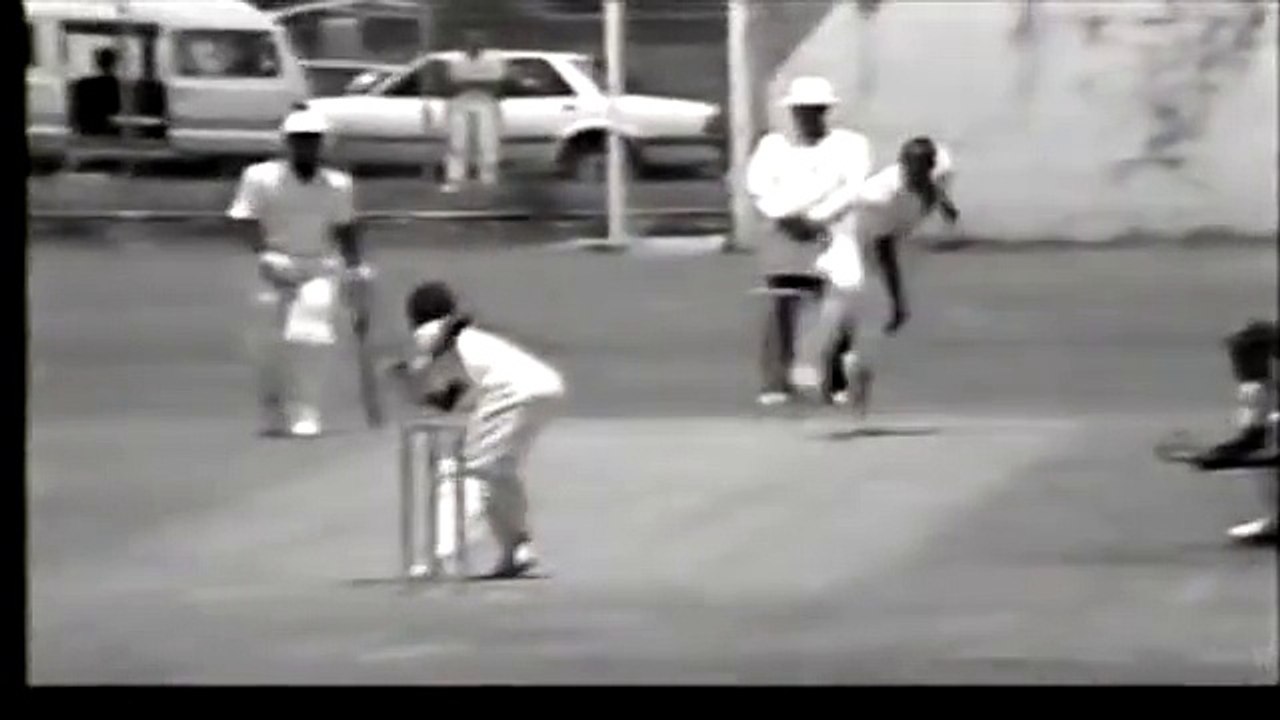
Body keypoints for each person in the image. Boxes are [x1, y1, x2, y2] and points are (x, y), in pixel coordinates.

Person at [398, 280, 566, 578]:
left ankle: (444, 553)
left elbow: (441, 338)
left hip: (511, 391)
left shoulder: (437, 332)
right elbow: (452, 399)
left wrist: (415, 371)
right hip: (546, 387)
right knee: (499, 471)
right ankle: (517, 547)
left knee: (469, 470)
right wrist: (414, 386)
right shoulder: (471, 342)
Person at [227, 106, 373, 438]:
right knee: (269, 345)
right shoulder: (259, 177)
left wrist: (356, 266)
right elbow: (243, 220)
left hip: (318, 265)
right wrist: (263, 254)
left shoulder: (338, 184)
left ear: (322, 144)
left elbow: (345, 227)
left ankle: (306, 411)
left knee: (311, 336)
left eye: (312, 140)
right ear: (287, 143)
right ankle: (273, 407)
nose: (306, 147)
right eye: (299, 140)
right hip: (272, 265)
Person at [803, 135, 961, 417]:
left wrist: (944, 204)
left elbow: (935, 187)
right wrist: (898, 298)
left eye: (923, 168)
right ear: (902, 165)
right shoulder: (881, 196)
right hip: (851, 237)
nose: (915, 173)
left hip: (887, 239)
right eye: (910, 167)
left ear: (931, 167)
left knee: (872, 324)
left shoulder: (939, 172)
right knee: (849, 297)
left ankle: (853, 381)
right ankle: (819, 366)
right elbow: (883, 249)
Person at [745, 76, 873, 407]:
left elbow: (852, 187)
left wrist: (817, 219)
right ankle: (776, 382)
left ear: (825, 110)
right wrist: (786, 218)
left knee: (835, 309)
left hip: (830, 235)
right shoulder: (773, 145)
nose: (808, 115)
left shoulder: (850, 144)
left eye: (815, 109)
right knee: (781, 306)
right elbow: (759, 186)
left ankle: (837, 381)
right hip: (784, 235)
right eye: (802, 109)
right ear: (793, 111)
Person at [1184, 320, 1278, 544]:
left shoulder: (1258, 391)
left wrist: (1219, 457)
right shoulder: (1257, 390)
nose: (1237, 363)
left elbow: (1256, 442)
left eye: (1244, 355)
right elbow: (1254, 440)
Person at [444, 30, 507, 190]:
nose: (473, 45)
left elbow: (496, 84)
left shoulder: (494, 60)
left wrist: (470, 83)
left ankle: (488, 179)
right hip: (461, 103)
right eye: (470, 42)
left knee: (487, 141)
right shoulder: (457, 61)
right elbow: (453, 84)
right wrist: (477, 82)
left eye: (477, 42)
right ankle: (455, 179)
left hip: (486, 103)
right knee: (458, 141)